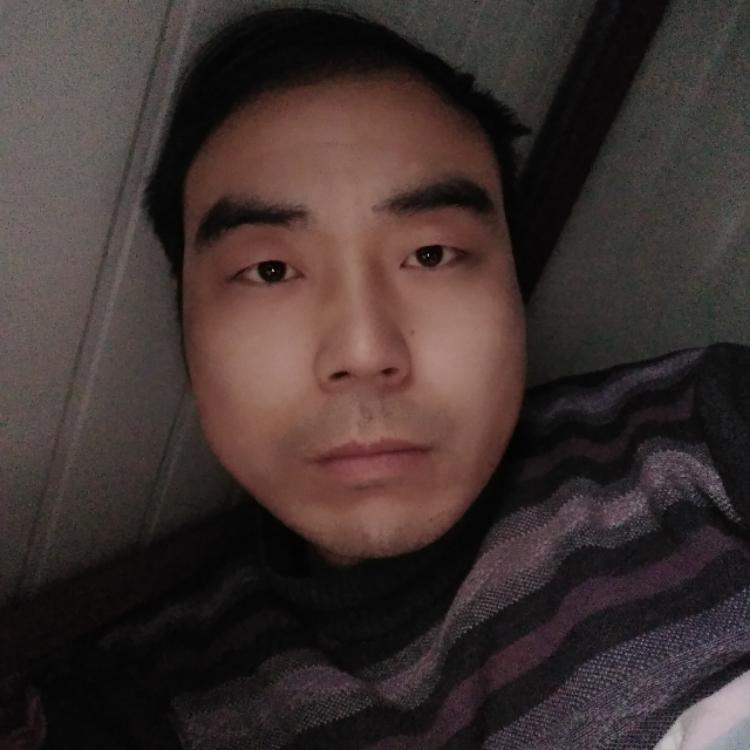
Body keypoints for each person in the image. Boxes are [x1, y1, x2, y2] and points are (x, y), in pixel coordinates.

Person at [10, 7, 750, 749]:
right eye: (271, 270)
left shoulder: (701, 437)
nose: (364, 352)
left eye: (430, 255)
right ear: (185, 328)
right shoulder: (146, 701)